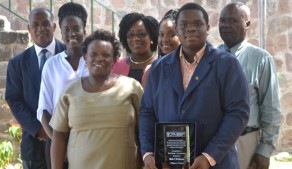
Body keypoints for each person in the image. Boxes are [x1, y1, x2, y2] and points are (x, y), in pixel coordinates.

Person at [139, 3, 250, 169]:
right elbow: (147, 111)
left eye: (198, 24)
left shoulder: (227, 65)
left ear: (208, 28)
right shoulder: (158, 68)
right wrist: (148, 152)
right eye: (184, 25)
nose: (190, 29)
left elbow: (238, 113)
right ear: (176, 29)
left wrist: (209, 156)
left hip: (215, 163)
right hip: (169, 164)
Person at [50, 29, 144, 169]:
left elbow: (146, 129)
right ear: (85, 57)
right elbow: (59, 135)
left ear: (114, 60)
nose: (99, 58)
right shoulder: (70, 91)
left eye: (106, 55)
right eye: (93, 54)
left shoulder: (132, 88)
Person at [218, 2, 281, 169]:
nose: (225, 25)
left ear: (247, 24)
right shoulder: (211, 58)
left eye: (232, 21)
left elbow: (271, 108)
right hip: (215, 142)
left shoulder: (261, 59)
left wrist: (264, 150)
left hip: (246, 142)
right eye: (222, 20)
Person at [5, 8, 66, 169]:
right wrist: (39, 129)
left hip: (68, 140)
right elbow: (14, 99)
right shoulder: (17, 64)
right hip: (34, 143)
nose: (41, 29)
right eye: (35, 25)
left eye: (46, 24)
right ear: (29, 29)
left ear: (54, 26)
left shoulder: (69, 55)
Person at [36, 2, 88, 168]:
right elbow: (44, 109)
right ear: (61, 32)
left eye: (76, 28)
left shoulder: (93, 62)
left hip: (90, 140)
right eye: (66, 29)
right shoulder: (52, 65)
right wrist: (59, 143)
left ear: (84, 31)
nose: (71, 33)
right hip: (58, 141)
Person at [111, 12, 159, 88]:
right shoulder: (117, 66)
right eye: (130, 35)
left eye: (141, 34)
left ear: (152, 37)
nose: (136, 39)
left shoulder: (160, 65)